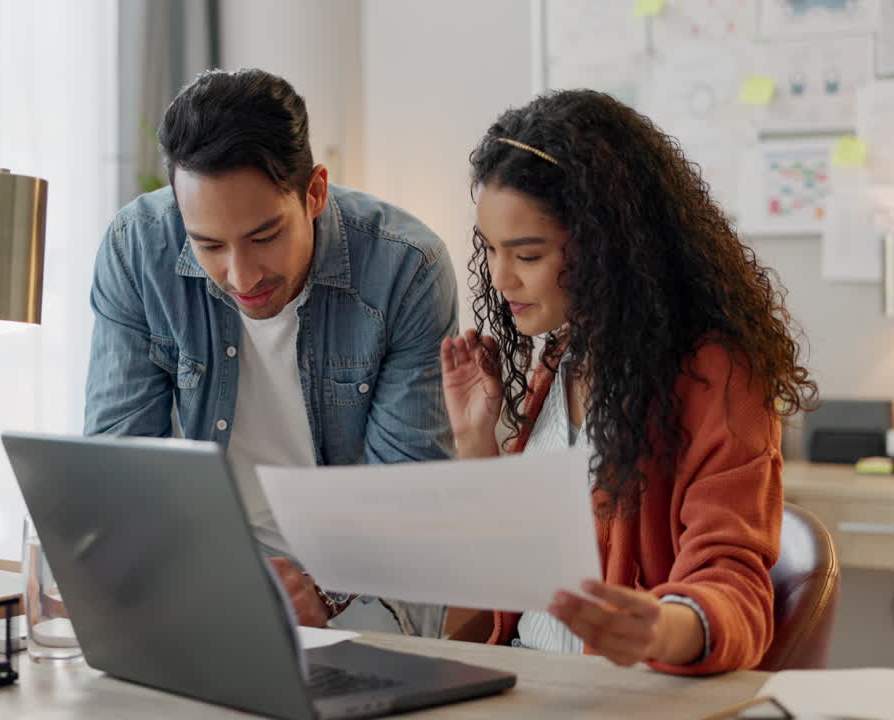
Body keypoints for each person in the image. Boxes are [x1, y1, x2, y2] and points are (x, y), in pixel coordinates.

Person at [440, 90, 818, 674]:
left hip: (618, 699)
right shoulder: (561, 356)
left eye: (528, 255)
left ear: (602, 247)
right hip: (521, 683)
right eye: (489, 249)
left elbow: (734, 581)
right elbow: (515, 573)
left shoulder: (714, 374)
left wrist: (662, 626)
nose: (500, 277)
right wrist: (475, 442)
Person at [84, 68, 457, 634]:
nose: (240, 275)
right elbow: (119, 469)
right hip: (204, 582)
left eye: (264, 237)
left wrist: (326, 598)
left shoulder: (406, 268)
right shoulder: (137, 248)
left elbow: (407, 500)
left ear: (315, 192)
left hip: (367, 591)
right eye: (208, 244)